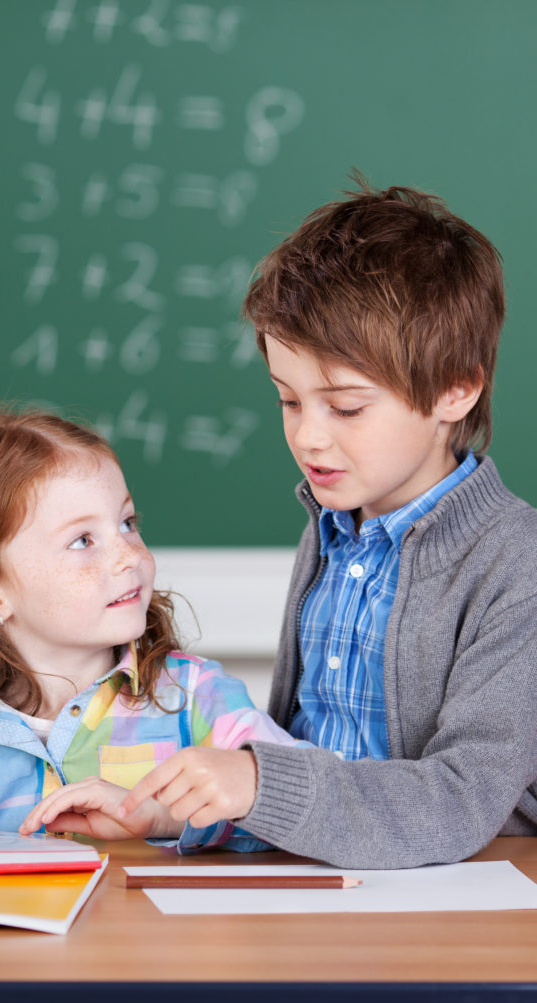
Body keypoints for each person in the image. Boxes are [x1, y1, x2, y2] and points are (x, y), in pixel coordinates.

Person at [118, 179, 537, 874]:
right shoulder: (333, 530)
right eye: (288, 400)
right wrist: (182, 808)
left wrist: (260, 783)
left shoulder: (516, 565)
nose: (309, 438)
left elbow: (464, 798)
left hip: (467, 898)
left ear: (455, 390)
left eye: (345, 407)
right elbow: (300, 754)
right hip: (322, 881)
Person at [0, 408, 304, 850]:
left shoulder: (199, 697)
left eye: (127, 523)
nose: (129, 556)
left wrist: (164, 818)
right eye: (83, 540)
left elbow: (305, 807)